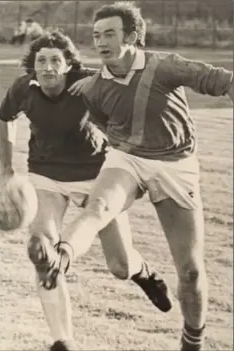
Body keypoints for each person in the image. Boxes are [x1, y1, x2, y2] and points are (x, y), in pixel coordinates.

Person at [40, 2, 233, 351]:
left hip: (177, 165)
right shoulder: (94, 87)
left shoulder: (165, 66)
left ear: (133, 36)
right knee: (98, 207)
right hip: (127, 159)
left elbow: (224, 82)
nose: (100, 41)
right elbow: (106, 124)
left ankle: (193, 338)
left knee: (189, 272)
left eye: (109, 34)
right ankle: (61, 257)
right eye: (96, 35)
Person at [0, 30, 172, 351]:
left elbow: (131, 112)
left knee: (119, 265)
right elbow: (5, 117)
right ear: (33, 66)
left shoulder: (91, 85)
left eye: (55, 61)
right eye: (41, 61)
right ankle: (62, 340)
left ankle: (144, 272)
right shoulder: (24, 88)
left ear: (68, 66)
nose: (48, 67)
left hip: (97, 176)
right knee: (42, 250)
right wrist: (7, 168)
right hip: (46, 176)